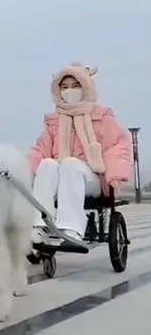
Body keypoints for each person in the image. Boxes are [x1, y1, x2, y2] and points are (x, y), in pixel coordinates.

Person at [28, 62, 132, 245]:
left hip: (91, 175)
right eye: (65, 87)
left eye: (76, 86)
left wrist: (115, 172)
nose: (70, 91)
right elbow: (41, 148)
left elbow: (118, 144)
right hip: (60, 173)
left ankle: (71, 229)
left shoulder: (100, 117)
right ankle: (40, 226)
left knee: (71, 164)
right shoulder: (54, 121)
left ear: (86, 87)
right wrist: (25, 169)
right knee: (47, 164)